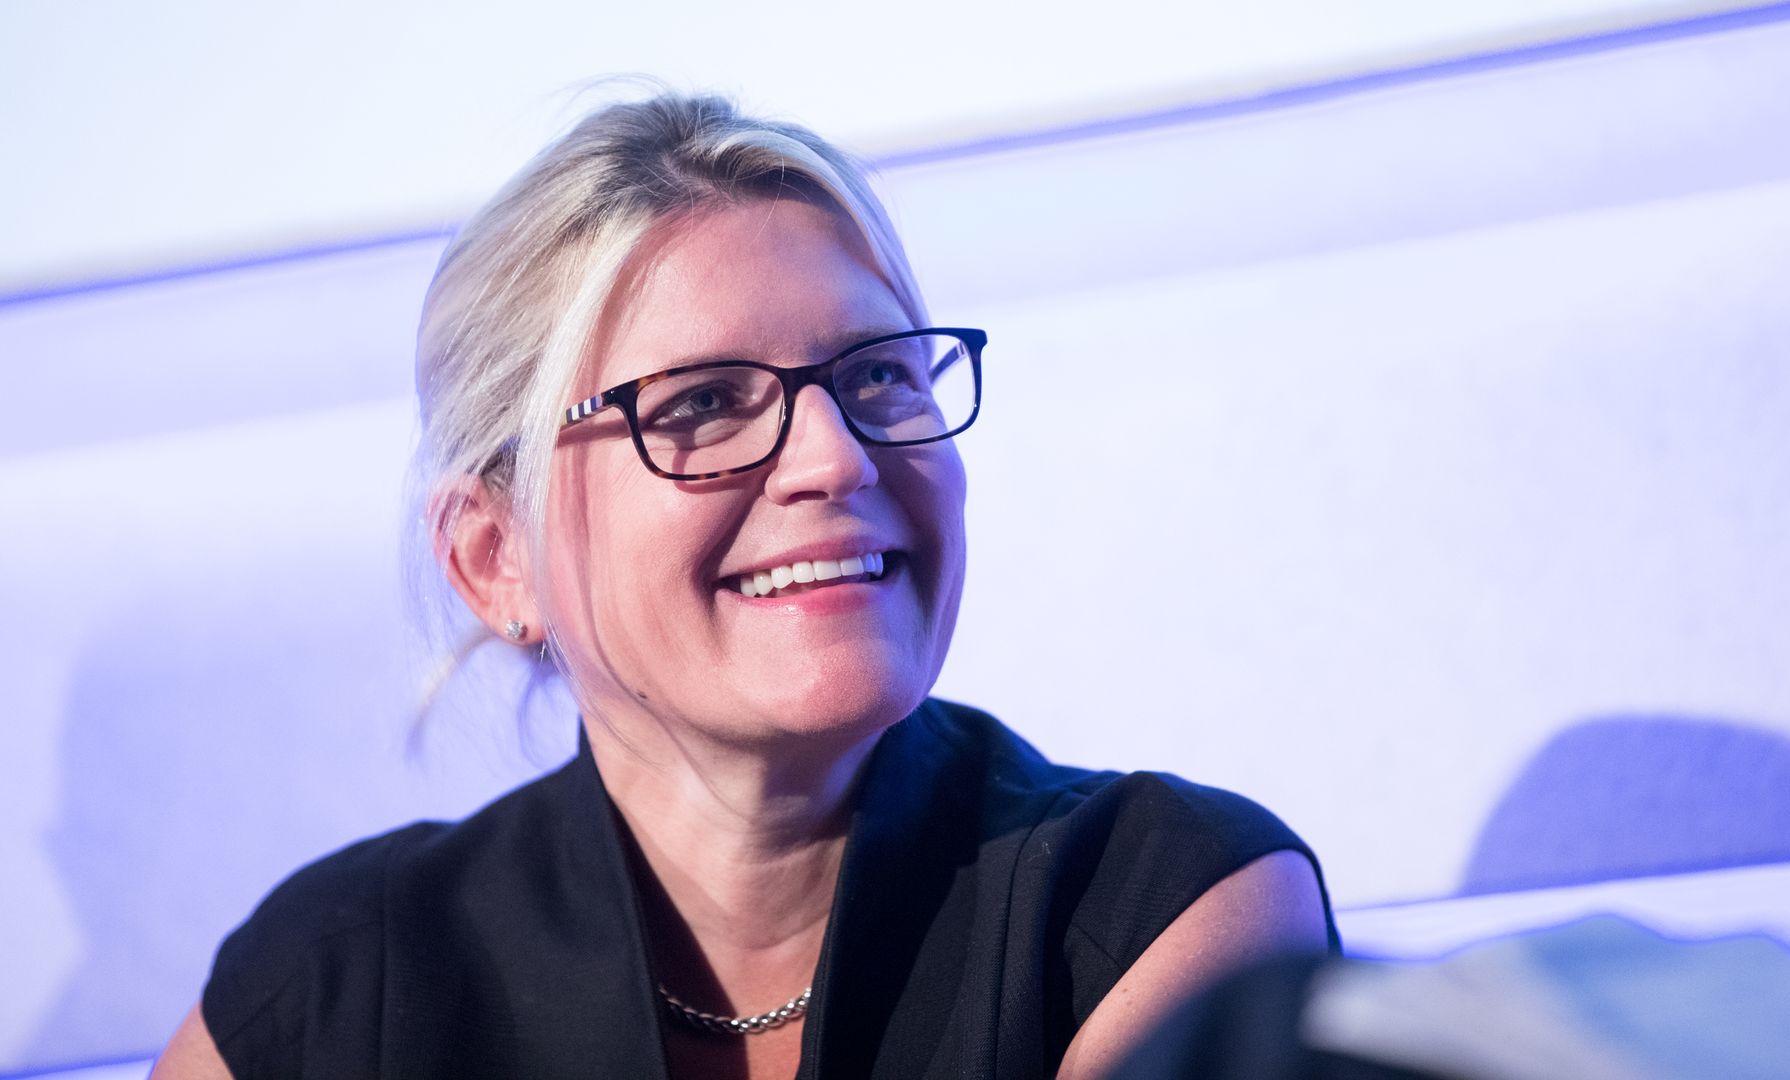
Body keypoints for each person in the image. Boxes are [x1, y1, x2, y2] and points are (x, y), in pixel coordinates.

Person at [153, 91, 1337, 1080]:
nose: (835, 456)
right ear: (493, 557)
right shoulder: (320, 994)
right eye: (702, 403)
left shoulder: (1165, 904)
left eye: (878, 376)